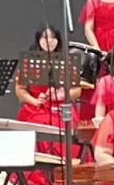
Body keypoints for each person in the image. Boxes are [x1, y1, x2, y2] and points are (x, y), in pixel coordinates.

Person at [14, 25, 78, 175]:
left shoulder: (67, 62)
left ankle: (65, 171)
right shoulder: (28, 62)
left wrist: (63, 95)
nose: (49, 41)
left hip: (61, 106)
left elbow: (77, 90)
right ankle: (41, 171)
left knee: (67, 123)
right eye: (45, 37)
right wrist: (35, 100)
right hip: (36, 106)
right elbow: (20, 90)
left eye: (53, 37)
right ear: (38, 39)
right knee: (40, 122)